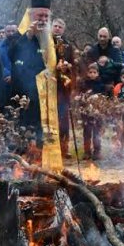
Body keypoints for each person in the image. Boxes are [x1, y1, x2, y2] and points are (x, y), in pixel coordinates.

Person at [9, 0, 53, 145]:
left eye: (46, 16)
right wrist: (29, 35)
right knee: (25, 123)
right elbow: (12, 54)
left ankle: (41, 151)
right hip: (23, 89)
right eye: (40, 15)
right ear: (31, 15)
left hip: (45, 89)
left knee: (41, 124)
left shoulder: (50, 36)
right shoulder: (18, 36)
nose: (43, 19)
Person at [52, 18, 75, 158]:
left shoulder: (68, 46)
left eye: (60, 27)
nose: (57, 28)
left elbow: (73, 65)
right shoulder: (45, 43)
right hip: (49, 85)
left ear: (64, 29)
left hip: (63, 88)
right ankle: (50, 147)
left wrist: (68, 67)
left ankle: (64, 147)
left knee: (63, 117)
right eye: (55, 26)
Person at [80, 63, 107, 160]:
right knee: (87, 132)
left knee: (97, 132)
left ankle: (97, 151)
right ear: (87, 73)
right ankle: (87, 152)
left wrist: (98, 101)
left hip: (97, 112)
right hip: (86, 111)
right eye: (90, 72)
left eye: (94, 72)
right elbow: (81, 96)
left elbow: (103, 97)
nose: (92, 74)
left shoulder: (101, 84)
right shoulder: (84, 84)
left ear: (98, 73)